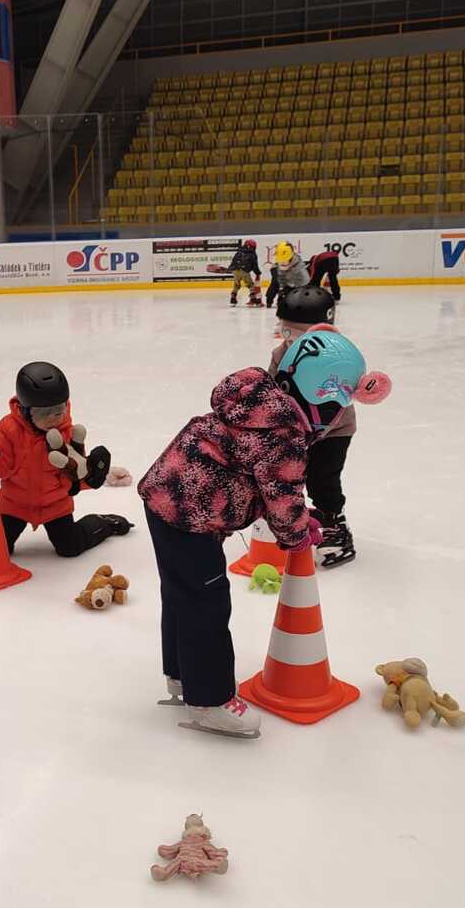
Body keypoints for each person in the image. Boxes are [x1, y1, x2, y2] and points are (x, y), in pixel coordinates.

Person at [137, 364, 321, 740]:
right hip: (190, 516)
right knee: (206, 603)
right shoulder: (285, 434)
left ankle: (182, 674)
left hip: (163, 497)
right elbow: (282, 496)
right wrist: (298, 533)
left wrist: (299, 518)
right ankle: (210, 700)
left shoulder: (257, 406)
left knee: (181, 593)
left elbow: (258, 477)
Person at [0, 362, 132, 557]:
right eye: (44, 413)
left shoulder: (68, 432)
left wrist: (90, 477)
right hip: (15, 505)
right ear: (25, 410)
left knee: (70, 547)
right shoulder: (10, 430)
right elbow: (1, 469)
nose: (54, 418)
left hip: (56, 506)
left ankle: (104, 522)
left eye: (59, 410)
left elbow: (72, 474)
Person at [268, 292, 391, 567]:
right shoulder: (281, 354)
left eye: (297, 334)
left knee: (322, 479)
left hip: (333, 431)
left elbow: (354, 392)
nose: (290, 340)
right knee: (286, 474)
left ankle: (334, 522)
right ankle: (289, 520)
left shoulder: (339, 356)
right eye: (285, 331)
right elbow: (273, 387)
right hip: (294, 427)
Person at [264, 240, 311, 308]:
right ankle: (269, 301)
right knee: (276, 282)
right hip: (277, 268)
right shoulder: (282, 256)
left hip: (289, 270)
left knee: (288, 285)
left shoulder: (296, 261)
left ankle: (282, 299)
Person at [226, 238, 263, 307]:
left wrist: (231, 268)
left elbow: (233, 261)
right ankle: (253, 299)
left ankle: (233, 299)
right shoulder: (253, 254)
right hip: (244, 271)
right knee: (251, 285)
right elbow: (255, 265)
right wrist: (258, 272)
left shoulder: (239, 251)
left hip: (235, 270)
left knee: (236, 284)